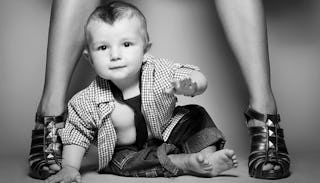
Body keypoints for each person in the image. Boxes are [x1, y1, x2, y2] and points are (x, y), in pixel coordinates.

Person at [28, 0, 290, 181]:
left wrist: (192, 84)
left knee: (195, 115)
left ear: (146, 50)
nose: (115, 55)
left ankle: (209, 154)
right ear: (89, 57)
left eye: (127, 44)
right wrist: (70, 168)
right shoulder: (87, 100)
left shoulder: (157, 71)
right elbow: (78, 135)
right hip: (129, 151)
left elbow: (189, 75)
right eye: (103, 48)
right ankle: (186, 163)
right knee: (124, 163)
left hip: (166, 133)